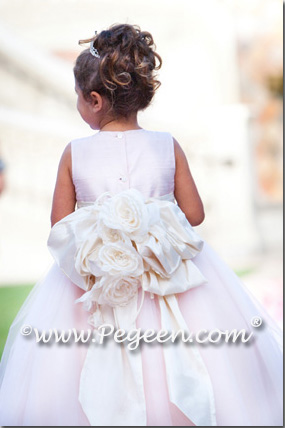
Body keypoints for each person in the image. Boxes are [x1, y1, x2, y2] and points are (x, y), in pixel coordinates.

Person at [0, 24, 282, 426]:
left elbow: (60, 225)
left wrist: (107, 232)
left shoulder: (74, 153)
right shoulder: (167, 144)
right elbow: (196, 214)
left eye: (78, 96)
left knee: (75, 371)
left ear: (94, 100)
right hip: (168, 276)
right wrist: (152, 225)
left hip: (98, 281)